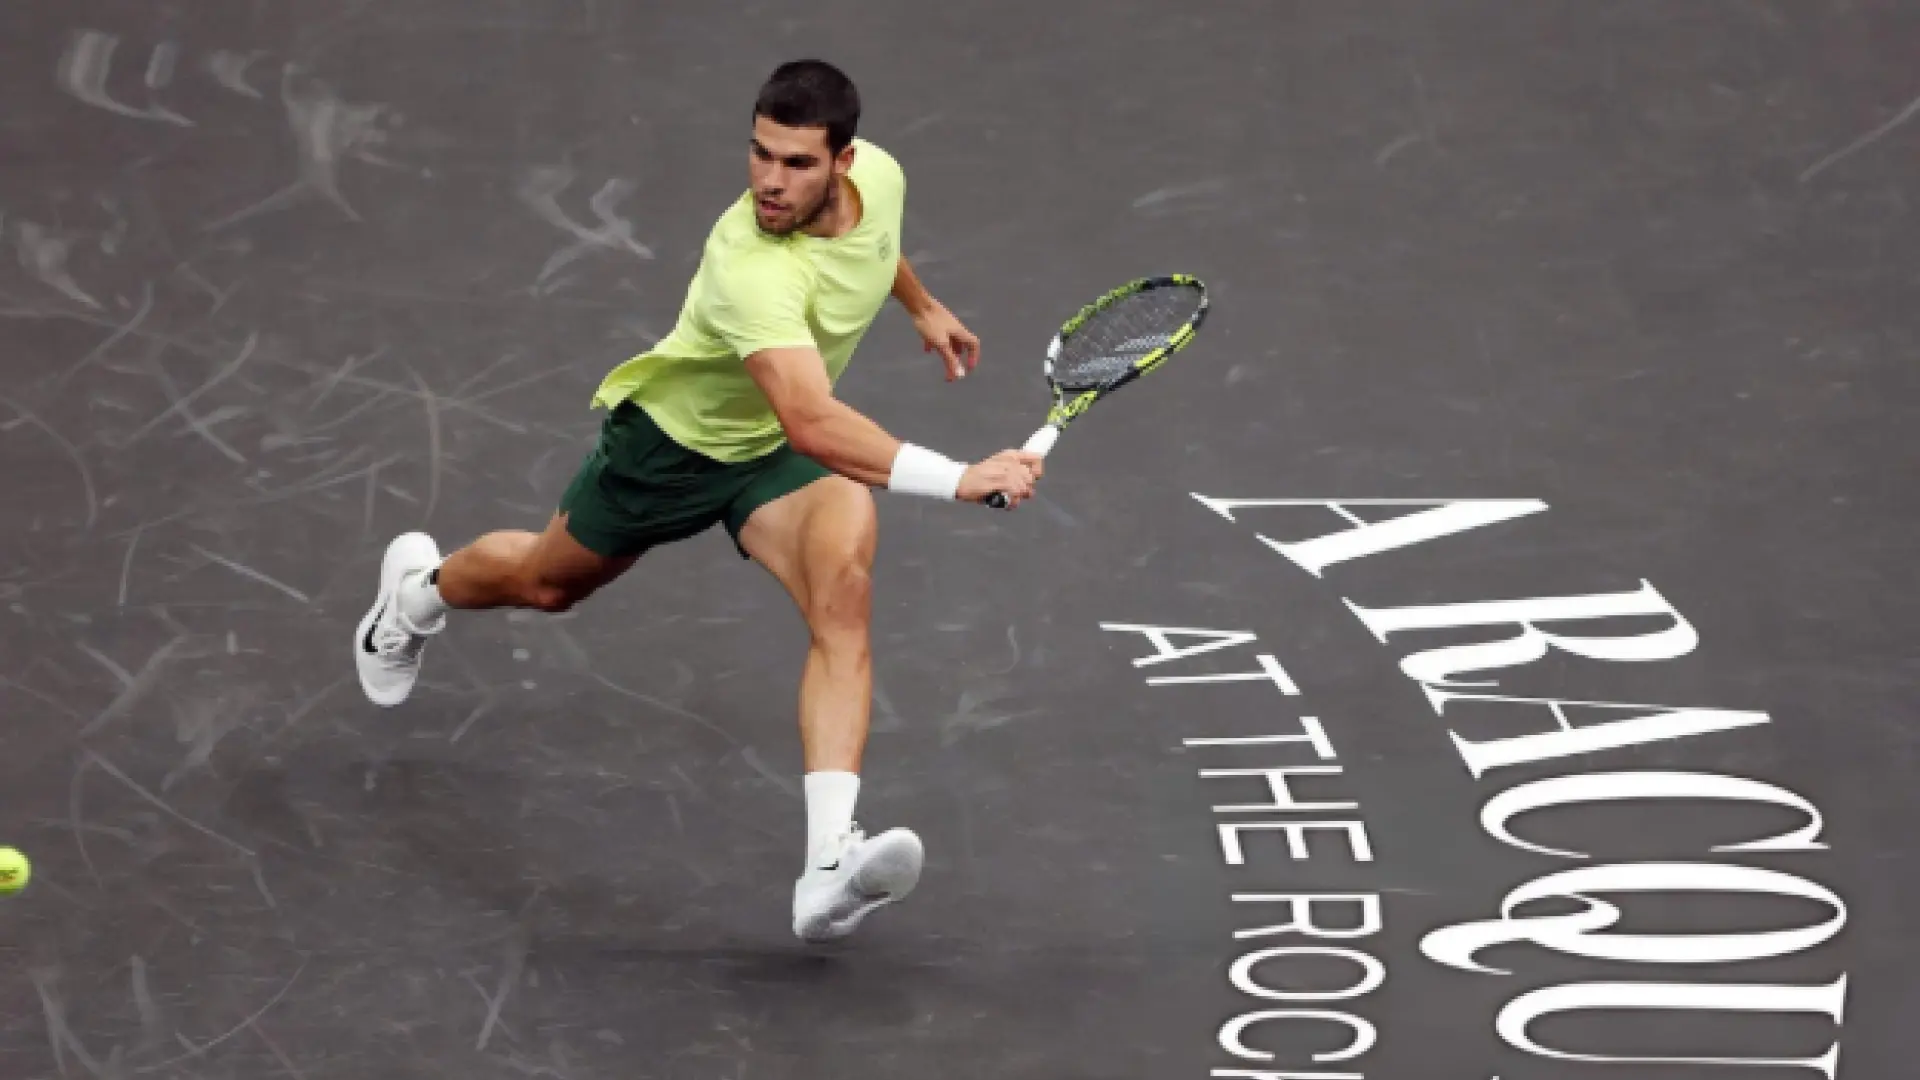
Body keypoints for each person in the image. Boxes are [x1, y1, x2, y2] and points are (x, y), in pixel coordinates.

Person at [352, 59, 1043, 943]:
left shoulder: (883, 178)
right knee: (546, 583)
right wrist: (960, 477)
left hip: (772, 463)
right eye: (759, 155)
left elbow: (874, 246)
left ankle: (827, 868)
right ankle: (413, 597)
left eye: (796, 163)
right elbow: (810, 420)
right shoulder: (747, 261)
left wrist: (920, 303)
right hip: (671, 453)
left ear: (845, 161)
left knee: (844, 597)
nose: (769, 180)